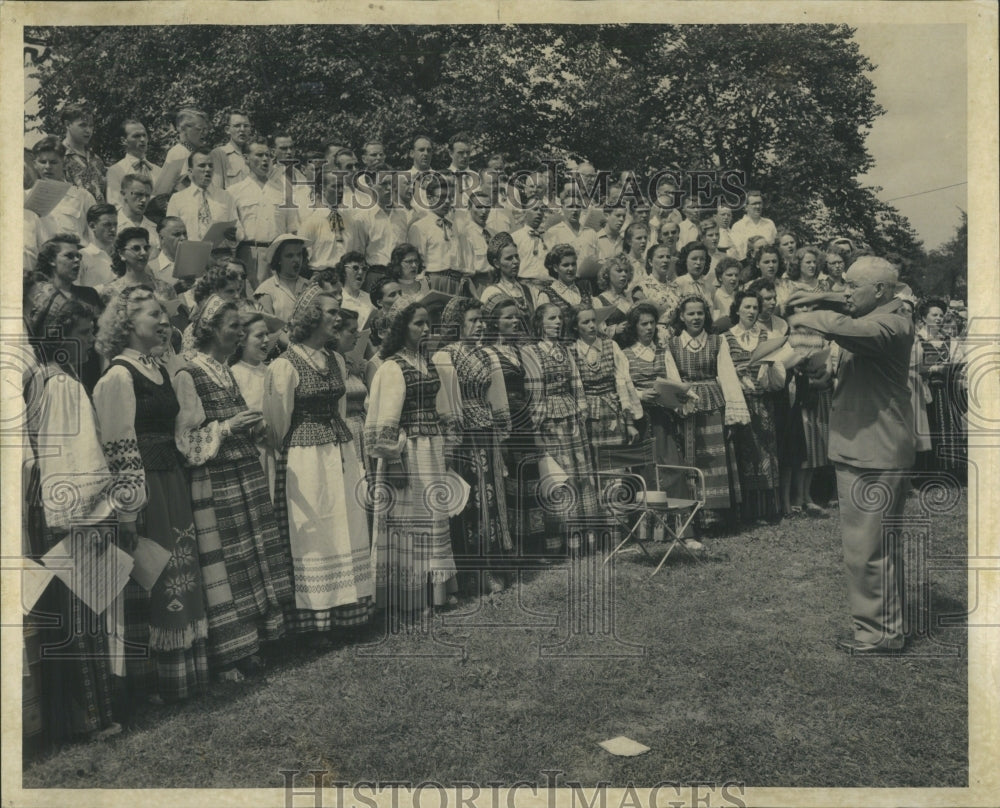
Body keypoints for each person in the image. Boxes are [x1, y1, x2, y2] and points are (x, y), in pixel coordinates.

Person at [786, 256, 915, 654]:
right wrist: (823, 378)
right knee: (877, 547)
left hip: (873, 451)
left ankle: (876, 634)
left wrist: (804, 311)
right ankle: (886, 630)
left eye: (851, 286)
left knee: (866, 551)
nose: (844, 293)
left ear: (878, 290)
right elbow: (844, 367)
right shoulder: (879, 317)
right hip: (867, 447)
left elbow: (840, 325)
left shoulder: (889, 323)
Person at [93, 287, 210, 705]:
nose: (163, 321)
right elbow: (118, 446)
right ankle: (152, 684)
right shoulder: (120, 375)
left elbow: (182, 425)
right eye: (152, 315)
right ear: (128, 324)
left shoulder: (159, 368)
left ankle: (185, 673)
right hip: (144, 490)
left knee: (178, 573)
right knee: (153, 577)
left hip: (170, 480)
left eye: (165, 314)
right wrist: (127, 512)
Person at [173, 296, 293, 678]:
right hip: (217, 476)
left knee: (253, 552)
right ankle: (233, 651)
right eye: (233, 326)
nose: (240, 333)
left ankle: (258, 642)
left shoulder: (223, 370)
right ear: (210, 330)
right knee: (226, 560)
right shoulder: (189, 372)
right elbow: (186, 441)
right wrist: (227, 428)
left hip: (244, 469)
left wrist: (251, 426)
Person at [23, 294, 122, 746]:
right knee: (80, 619)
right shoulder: (63, 384)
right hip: (72, 513)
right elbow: (76, 458)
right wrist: (95, 514)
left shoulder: (38, 379)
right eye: (83, 334)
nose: (89, 343)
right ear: (61, 337)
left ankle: (67, 719)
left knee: (60, 619)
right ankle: (89, 719)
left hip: (46, 510)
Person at [264, 285, 376, 639]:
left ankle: (348, 612)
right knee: (314, 532)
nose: (338, 318)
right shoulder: (284, 365)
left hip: (340, 451)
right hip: (305, 459)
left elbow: (341, 410)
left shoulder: (336, 360)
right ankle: (315, 621)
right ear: (311, 316)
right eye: (331, 312)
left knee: (345, 524)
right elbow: (277, 424)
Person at [364, 300, 459, 617]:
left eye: (427, 323)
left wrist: (447, 442)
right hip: (407, 453)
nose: (426, 329)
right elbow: (384, 420)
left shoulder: (428, 364)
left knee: (433, 516)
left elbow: (443, 408)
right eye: (418, 323)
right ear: (402, 328)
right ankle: (411, 594)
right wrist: (392, 461)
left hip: (430, 449)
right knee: (411, 518)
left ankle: (437, 591)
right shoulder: (391, 368)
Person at [432, 297, 514, 595]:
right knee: (464, 501)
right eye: (473, 320)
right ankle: (466, 572)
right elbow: (443, 401)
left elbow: (498, 397)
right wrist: (450, 439)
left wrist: (502, 434)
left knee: (489, 499)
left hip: (486, 433)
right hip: (460, 437)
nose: (480, 326)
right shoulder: (445, 356)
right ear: (457, 324)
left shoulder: (489, 355)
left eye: (482, 320)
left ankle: (490, 567)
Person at [663, 295, 749, 537]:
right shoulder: (672, 344)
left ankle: (719, 517)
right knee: (692, 458)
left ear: (706, 315)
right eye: (690, 313)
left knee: (716, 458)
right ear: (681, 316)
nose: (696, 318)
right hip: (688, 406)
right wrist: (681, 403)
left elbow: (728, 377)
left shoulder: (717, 341)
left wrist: (733, 413)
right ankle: (696, 517)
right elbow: (672, 378)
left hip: (713, 402)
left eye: (700, 313)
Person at [523, 303, 600, 555]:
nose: (557, 323)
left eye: (559, 319)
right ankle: (561, 542)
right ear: (539, 323)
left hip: (571, 418)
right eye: (551, 319)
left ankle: (585, 537)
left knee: (580, 473)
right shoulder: (531, 351)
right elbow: (534, 389)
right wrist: (538, 422)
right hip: (549, 420)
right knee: (559, 477)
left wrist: (581, 411)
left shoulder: (565, 350)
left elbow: (576, 382)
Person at [724, 290, 784, 524]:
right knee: (743, 452)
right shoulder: (726, 337)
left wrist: (767, 368)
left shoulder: (765, 335)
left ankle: (768, 510)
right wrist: (733, 372)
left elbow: (778, 375)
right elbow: (721, 371)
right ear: (737, 309)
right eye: (746, 307)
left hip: (762, 401)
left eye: (754, 308)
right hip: (739, 401)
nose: (751, 312)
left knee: (765, 452)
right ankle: (745, 513)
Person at [567, 305, 644, 470]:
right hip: (587, 415)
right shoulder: (571, 351)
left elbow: (623, 384)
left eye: (594, 321)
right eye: (585, 322)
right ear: (575, 326)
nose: (591, 325)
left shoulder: (611, 346)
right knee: (592, 463)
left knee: (616, 462)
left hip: (612, 412)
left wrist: (630, 423)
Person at [785, 299, 838, 516]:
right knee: (803, 446)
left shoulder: (821, 337)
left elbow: (828, 367)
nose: (805, 311)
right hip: (800, 396)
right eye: (800, 307)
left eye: (809, 308)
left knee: (817, 446)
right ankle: (799, 496)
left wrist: (822, 375)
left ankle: (809, 494)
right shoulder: (788, 337)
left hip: (819, 394)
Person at [230, 139, 299, 288]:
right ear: (246, 158)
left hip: (278, 254)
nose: (265, 159)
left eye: (268, 155)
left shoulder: (283, 191)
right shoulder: (234, 192)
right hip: (249, 254)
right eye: (259, 155)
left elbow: (292, 229)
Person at [915, 297, 967, 477]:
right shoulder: (917, 340)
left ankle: (950, 470)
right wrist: (933, 369)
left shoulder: (950, 341)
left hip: (946, 392)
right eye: (934, 315)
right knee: (927, 428)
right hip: (924, 392)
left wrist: (953, 368)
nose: (938, 318)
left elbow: (960, 363)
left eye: (941, 315)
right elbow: (913, 366)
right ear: (923, 317)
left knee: (948, 427)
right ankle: (927, 471)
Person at [230, 311, 279, 495]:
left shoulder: (271, 372)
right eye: (259, 335)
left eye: (267, 334)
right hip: (253, 455)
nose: (266, 340)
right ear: (242, 340)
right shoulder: (235, 374)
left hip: (276, 452)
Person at [29, 136, 96, 244]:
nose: (47, 167)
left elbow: (94, 239)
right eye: (42, 162)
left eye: (53, 162)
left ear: (64, 163)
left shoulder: (83, 197)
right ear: (35, 164)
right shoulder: (26, 198)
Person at [166, 150, 242, 242]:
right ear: (190, 171)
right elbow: (170, 232)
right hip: (190, 252)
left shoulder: (226, 197)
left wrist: (234, 234)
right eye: (202, 165)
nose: (207, 169)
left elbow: (239, 230)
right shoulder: (177, 199)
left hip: (220, 253)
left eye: (210, 166)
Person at [480, 232, 549, 329]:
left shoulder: (528, 290)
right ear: (496, 263)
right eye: (509, 258)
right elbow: (486, 326)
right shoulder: (492, 292)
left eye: (516, 256)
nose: (515, 262)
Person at [99, 226, 176, 304]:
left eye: (146, 248)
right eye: (136, 248)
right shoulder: (111, 292)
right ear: (121, 253)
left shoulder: (165, 288)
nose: (144, 253)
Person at [254, 234, 312, 321]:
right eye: (289, 256)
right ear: (278, 260)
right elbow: (267, 325)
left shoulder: (309, 286)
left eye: (299, 255)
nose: (296, 260)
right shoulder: (266, 290)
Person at [106, 119, 162, 208]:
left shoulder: (158, 171)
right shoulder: (116, 171)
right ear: (124, 140)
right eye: (136, 136)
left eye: (144, 135)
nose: (143, 139)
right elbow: (115, 205)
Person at [60, 102, 106, 203]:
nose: (88, 130)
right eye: (83, 125)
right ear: (68, 124)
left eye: (91, 126)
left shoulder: (97, 160)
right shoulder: (58, 157)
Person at [631, 243, 681, 328]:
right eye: (661, 257)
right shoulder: (641, 288)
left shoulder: (676, 287)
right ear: (650, 262)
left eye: (668, 257)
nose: (665, 260)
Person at [116, 174, 161, 261]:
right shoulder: (112, 226)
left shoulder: (154, 230)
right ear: (123, 194)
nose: (143, 200)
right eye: (138, 194)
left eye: (147, 196)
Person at [545, 243, 593, 319]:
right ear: (555, 268)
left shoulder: (584, 291)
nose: (571, 269)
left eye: (573, 264)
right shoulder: (547, 294)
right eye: (565, 265)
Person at [729, 190, 777, 260]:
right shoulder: (738, 227)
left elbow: (773, 247)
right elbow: (735, 254)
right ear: (746, 207)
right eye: (754, 204)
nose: (758, 206)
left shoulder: (769, 224)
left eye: (760, 203)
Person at [210, 110, 253, 190]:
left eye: (246, 126)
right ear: (227, 130)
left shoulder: (256, 154)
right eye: (237, 126)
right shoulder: (219, 154)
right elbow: (217, 190)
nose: (242, 129)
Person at [79, 203, 118, 288]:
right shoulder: (82, 256)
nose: (113, 229)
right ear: (92, 226)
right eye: (107, 225)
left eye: (115, 224)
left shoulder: (123, 254)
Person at [674, 240, 715, 306]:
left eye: (702, 259)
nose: (698, 263)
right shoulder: (678, 283)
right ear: (685, 261)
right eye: (694, 259)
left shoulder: (708, 286)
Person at [150, 217, 187, 285]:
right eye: (177, 234)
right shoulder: (150, 269)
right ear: (161, 238)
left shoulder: (196, 264)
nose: (183, 238)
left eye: (184, 233)